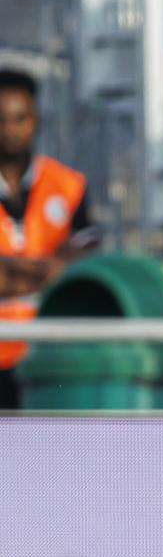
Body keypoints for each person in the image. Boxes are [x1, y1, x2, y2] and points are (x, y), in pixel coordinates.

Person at [0, 68, 97, 409]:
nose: (10, 129)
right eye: (2, 119)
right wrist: (54, 268)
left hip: (52, 356)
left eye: (20, 117)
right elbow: (65, 270)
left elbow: (88, 266)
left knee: (48, 456)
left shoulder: (68, 186)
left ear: (36, 118)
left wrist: (14, 271)